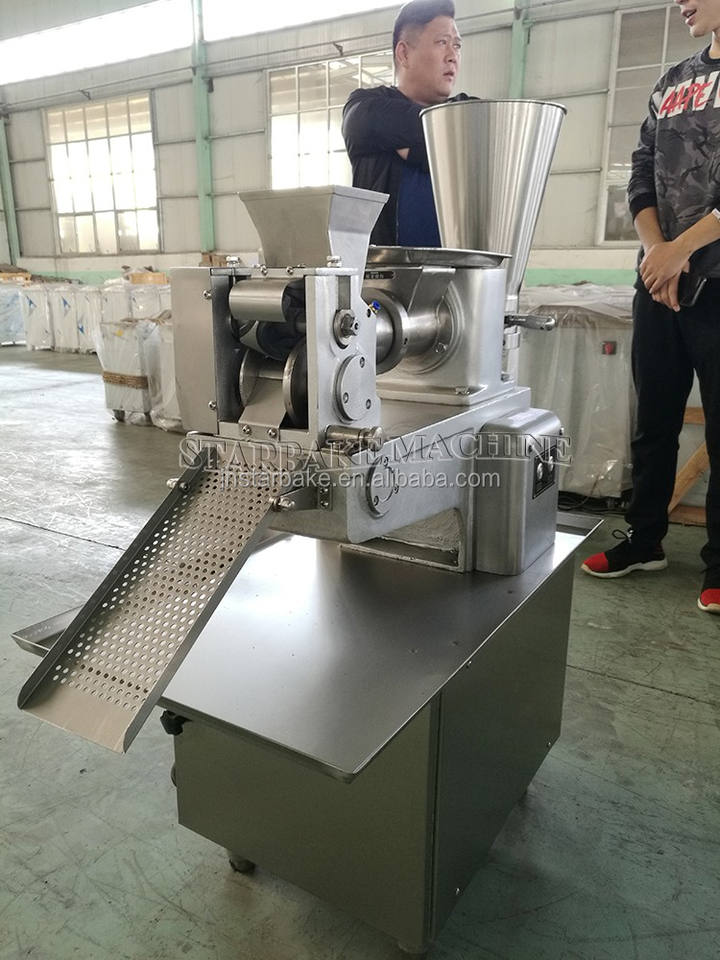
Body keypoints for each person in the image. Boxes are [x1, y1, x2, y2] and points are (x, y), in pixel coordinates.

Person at [581, 0, 720, 614]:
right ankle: (644, 540)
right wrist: (658, 251)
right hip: (659, 280)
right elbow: (640, 170)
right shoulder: (673, 81)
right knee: (653, 420)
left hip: (714, 280)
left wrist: (682, 250)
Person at [341, 0, 468, 247]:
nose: (452, 56)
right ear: (404, 53)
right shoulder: (365, 107)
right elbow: (361, 123)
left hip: (457, 269)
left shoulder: (466, 110)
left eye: (457, 45)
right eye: (442, 42)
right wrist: (441, 152)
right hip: (386, 269)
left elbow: (488, 139)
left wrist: (413, 150)